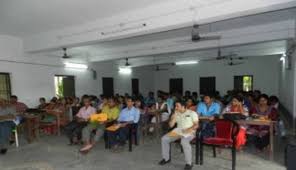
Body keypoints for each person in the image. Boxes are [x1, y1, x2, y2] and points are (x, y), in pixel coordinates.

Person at [159, 100, 198, 170]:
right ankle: (166, 158)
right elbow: (171, 126)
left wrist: (188, 129)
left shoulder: (192, 113)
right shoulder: (176, 113)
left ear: (183, 106)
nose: (176, 107)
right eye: (175, 106)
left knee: (184, 142)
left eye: (177, 106)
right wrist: (173, 117)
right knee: (164, 139)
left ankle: (189, 163)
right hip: (178, 131)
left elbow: (196, 125)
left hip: (190, 131)